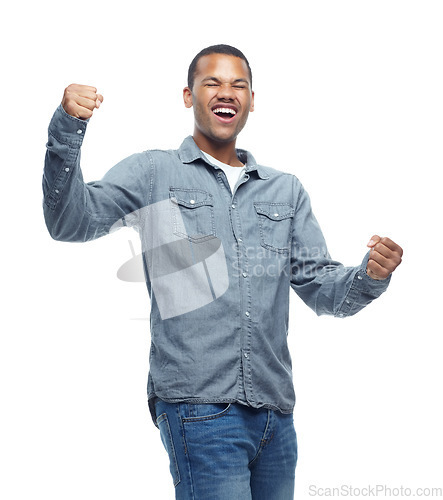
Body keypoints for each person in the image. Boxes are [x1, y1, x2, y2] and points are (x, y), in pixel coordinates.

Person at [42, 44, 403, 499]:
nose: (225, 91)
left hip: (275, 416)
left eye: (238, 84)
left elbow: (320, 288)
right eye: (211, 82)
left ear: (252, 99)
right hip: (200, 411)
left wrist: (369, 275)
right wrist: (68, 128)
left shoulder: (285, 190)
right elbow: (69, 222)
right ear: (189, 95)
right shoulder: (154, 172)